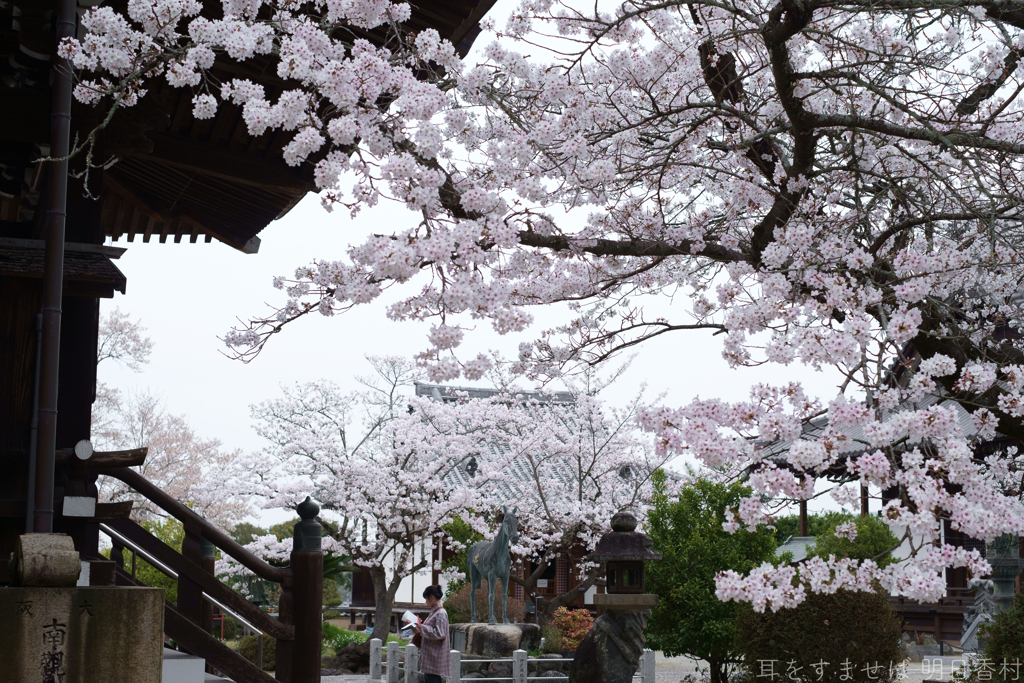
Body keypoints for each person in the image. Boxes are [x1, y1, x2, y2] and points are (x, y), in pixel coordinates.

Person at [415, 585, 450, 683]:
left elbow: (440, 633)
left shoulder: (441, 613)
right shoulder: (435, 612)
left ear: (431, 597)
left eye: (426, 599)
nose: (426, 602)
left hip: (434, 658)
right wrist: (416, 626)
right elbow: (428, 632)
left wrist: (421, 626)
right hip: (430, 657)